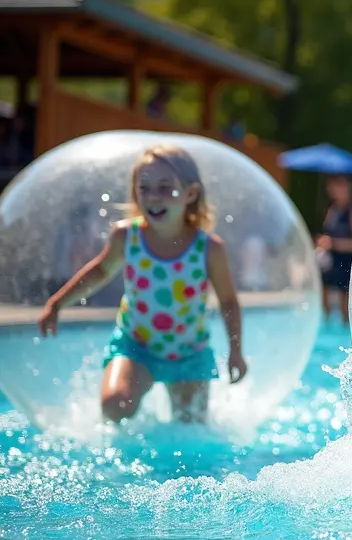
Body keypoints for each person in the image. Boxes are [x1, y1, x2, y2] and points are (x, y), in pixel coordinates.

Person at [37, 145, 248, 424]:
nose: (153, 197)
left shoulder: (208, 249)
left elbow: (228, 301)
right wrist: (57, 303)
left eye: (165, 188)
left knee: (190, 433)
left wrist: (236, 351)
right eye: (144, 188)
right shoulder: (127, 236)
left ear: (191, 194)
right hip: (137, 346)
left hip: (188, 353)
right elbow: (100, 271)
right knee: (115, 405)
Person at [316, 174, 352, 325]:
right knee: (324, 298)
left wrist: (334, 243)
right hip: (331, 260)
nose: (333, 190)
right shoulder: (332, 209)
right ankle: (328, 327)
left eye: (337, 186)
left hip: (347, 260)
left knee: (345, 308)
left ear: (347, 187)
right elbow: (328, 233)